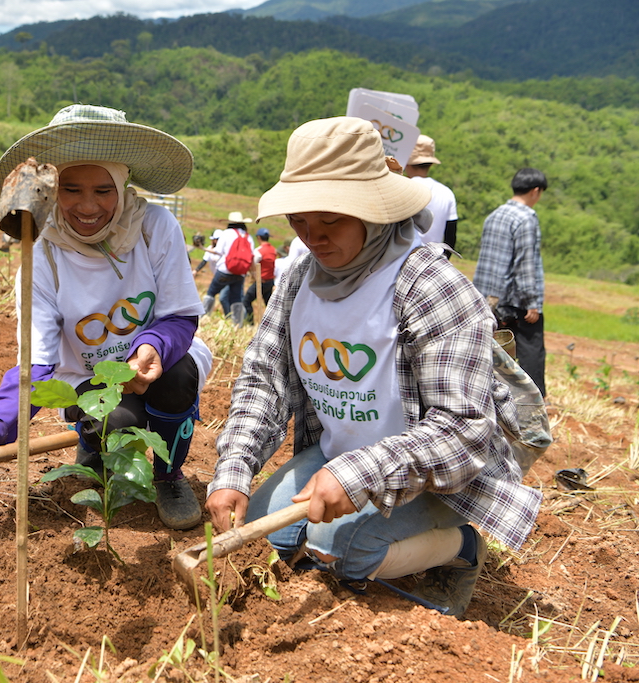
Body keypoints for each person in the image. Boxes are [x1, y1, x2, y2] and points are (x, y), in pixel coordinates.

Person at [206, 116, 541, 619]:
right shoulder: (301, 277)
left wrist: (361, 473)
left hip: (437, 474)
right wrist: (234, 469)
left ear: (374, 212)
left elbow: (463, 432)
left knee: (340, 549)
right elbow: (265, 381)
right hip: (340, 451)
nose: (312, 238)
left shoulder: (431, 287)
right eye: (300, 221)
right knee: (266, 532)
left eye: (330, 221)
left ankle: (463, 550)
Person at [0, 104, 212, 529]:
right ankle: (94, 443)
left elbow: (179, 316)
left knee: (177, 376)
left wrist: (149, 346)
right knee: (117, 419)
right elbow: (36, 364)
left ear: (123, 184)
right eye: (71, 189)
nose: (87, 206)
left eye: (103, 190)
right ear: (53, 188)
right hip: (88, 375)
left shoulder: (154, 227)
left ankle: (168, 475)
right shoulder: (41, 253)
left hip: (157, 362)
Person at [473, 167, 548, 397]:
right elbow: (525, 263)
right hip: (514, 301)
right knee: (531, 350)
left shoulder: (495, 214)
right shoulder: (526, 218)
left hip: (488, 297)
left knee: (493, 351)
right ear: (535, 191)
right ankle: (532, 401)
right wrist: (531, 301)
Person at [202, 211, 261, 325]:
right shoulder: (248, 237)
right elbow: (251, 257)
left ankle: (204, 318)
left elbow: (218, 251)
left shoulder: (227, 233)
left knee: (211, 292)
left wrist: (203, 248)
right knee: (236, 299)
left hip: (225, 270)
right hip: (240, 273)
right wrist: (253, 273)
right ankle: (237, 324)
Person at [404, 134, 458, 255]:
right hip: (433, 260)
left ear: (407, 161)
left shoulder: (402, 187)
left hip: (402, 259)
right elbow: (450, 238)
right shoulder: (447, 193)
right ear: (431, 163)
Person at [242, 227, 276, 325]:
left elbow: (251, 264)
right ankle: (272, 324)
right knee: (270, 305)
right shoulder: (273, 250)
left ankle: (250, 323)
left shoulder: (259, 251)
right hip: (270, 281)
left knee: (246, 300)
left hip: (261, 281)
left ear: (259, 238)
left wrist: (253, 275)